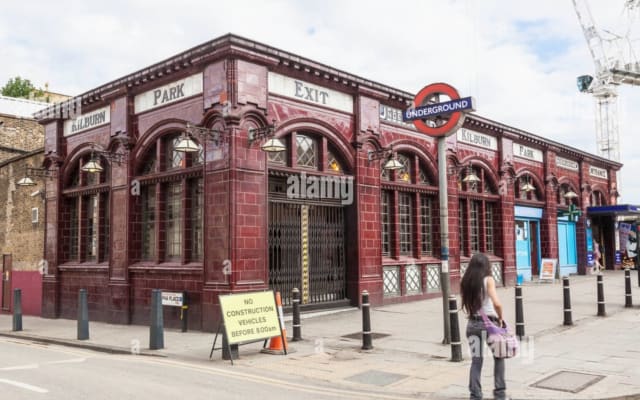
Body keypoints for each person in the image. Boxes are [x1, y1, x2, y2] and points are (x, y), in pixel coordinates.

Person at [461, 253, 508, 400]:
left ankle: (475, 395)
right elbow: (497, 303)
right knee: (499, 357)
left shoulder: (466, 281)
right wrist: (501, 318)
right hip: (489, 325)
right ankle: (500, 394)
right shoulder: (488, 280)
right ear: (486, 266)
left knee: (476, 361)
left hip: (472, 325)